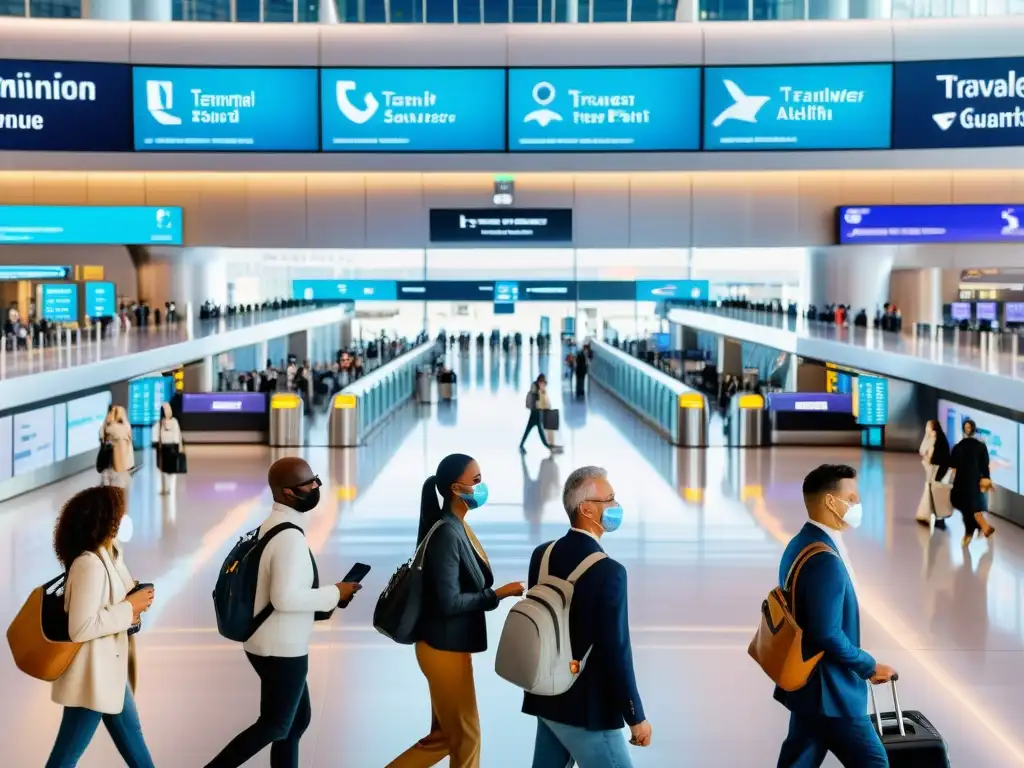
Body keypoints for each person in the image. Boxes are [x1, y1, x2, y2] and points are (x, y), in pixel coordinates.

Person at [204, 458, 362, 768]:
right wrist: (335, 593)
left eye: (317, 480)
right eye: (309, 484)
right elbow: (286, 598)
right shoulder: (288, 537)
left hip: (265, 641)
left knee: (295, 722)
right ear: (288, 493)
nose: (317, 487)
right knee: (276, 724)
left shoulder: (271, 525)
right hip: (282, 647)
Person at [387, 454, 524, 768]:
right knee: (467, 738)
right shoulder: (448, 533)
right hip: (442, 650)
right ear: (454, 488)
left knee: (444, 738)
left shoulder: (456, 526)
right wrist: (497, 594)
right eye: (475, 481)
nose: (481, 486)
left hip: (448, 646)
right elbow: (449, 602)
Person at [525, 466, 651, 768]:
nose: (615, 506)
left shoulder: (541, 556)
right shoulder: (609, 572)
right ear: (587, 510)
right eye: (608, 500)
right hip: (588, 712)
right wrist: (635, 716)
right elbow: (616, 651)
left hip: (547, 697)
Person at [775, 464, 895, 768]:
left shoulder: (800, 544)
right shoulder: (824, 559)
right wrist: (868, 665)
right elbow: (826, 632)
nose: (857, 506)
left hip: (809, 689)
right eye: (852, 498)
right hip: (833, 693)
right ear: (831, 501)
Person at [46, 485, 157, 768]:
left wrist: (134, 601)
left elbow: (117, 597)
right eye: (118, 515)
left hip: (109, 672)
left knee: (135, 744)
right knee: (64, 758)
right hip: (91, 677)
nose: (123, 520)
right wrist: (129, 608)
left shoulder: (109, 554)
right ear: (104, 520)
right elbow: (80, 627)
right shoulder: (89, 565)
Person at [949, 418, 996, 547]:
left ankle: (972, 531)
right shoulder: (970, 447)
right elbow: (984, 466)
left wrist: (985, 479)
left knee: (968, 507)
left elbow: (954, 467)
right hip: (969, 481)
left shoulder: (963, 447)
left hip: (967, 481)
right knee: (969, 507)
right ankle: (982, 527)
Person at [915, 419, 950, 529]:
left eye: (929, 427)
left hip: (939, 470)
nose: (927, 429)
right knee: (932, 492)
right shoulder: (938, 438)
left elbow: (925, 451)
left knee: (936, 493)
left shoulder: (938, 439)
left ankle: (939, 518)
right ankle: (931, 516)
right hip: (934, 470)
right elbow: (923, 450)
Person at [100, 406, 134, 489]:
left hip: (112, 458)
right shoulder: (125, 426)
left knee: (110, 477)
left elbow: (102, 436)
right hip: (121, 460)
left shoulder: (109, 426)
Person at [520, 375, 554, 455]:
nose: (544, 385)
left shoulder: (538, 388)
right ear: (540, 382)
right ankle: (547, 446)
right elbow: (539, 401)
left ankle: (521, 445)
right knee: (539, 431)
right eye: (543, 383)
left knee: (529, 429)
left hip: (536, 413)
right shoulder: (536, 390)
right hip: (536, 413)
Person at [154, 402, 183, 496]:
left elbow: (178, 435)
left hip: (172, 447)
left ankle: (169, 488)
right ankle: (165, 488)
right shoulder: (160, 423)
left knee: (170, 470)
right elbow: (157, 435)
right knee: (164, 470)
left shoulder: (174, 421)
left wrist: (179, 447)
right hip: (163, 448)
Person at [535, 374, 561, 450]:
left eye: (544, 383)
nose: (543, 384)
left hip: (547, 411)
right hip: (543, 412)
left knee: (551, 430)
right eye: (541, 383)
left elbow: (547, 401)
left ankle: (552, 444)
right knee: (549, 430)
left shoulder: (544, 391)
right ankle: (551, 445)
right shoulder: (539, 392)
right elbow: (539, 404)